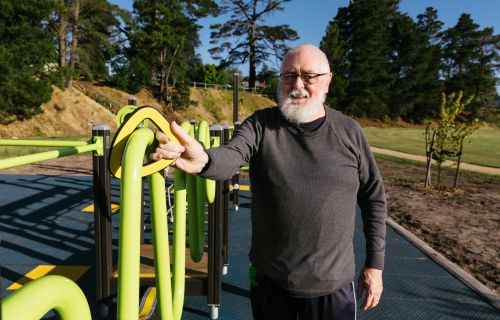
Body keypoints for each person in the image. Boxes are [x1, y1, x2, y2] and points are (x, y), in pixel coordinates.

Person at [152, 44, 386, 320]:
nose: (298, 84)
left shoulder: (349, 132)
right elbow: (232, 154)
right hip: (272, 283)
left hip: (331, 286)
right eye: (289, 76)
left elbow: (373, 197)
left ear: (327, 80)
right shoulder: (261, 125)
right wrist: (204, 160)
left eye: (309, 76)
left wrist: (375, 264)